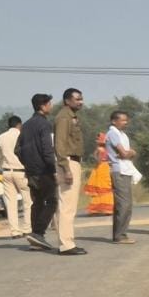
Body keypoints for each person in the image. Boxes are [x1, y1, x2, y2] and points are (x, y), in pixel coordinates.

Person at [14, 94, 57, 251]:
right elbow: (47, 150)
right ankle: (38, 233)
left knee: (37, 202)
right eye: (49, 104)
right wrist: (54, 169)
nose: (51, 106)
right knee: (52, 201)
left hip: (31, 171)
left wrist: (28, 164)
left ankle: (35, 237)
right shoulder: (44, 125)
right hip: (44, 170)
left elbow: (17, 150)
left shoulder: (25, 125)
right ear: (43, 106)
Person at [53, 87, 87, 256]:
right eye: (77, 99)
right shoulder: (64, 118)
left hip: (73, 162)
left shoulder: (71, 117)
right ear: (67, 100)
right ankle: (66, 245)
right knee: (67, 205)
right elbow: (60, 145)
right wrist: (66, 168)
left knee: (70, 205)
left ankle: (68, 241)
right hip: (68, 162)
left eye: (81, 99)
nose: (80, 102)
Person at [0, 115, 32, 238]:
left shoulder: (1, 137)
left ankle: (15, 231)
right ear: (19, 125)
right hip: (21, 171)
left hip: (6, 171)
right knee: (28, 201)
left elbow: (1, 155)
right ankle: (27, 228)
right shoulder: (22, 135)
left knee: (11, 203)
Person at [105, 110, 136, 244]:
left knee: (126, 204)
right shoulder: (113, 133)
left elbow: (128, 153)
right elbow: (123, 153)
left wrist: (129, 153)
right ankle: (119, 235)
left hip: (126, 170)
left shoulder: (122, 134)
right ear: (114, 121)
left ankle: (121, 233)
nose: (125, 122)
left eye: (126, 120)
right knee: (123, 204)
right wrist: (130, 153)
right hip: (119, 170)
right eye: (122, 120)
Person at [84, 133, 114, 216]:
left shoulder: (99, 149)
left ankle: (96, 209)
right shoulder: (108, 149)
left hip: (101, 168)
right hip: (106, 167)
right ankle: (107, 209)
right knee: (107, 188)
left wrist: (95, 156)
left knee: (99, 189)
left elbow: (98, 159)